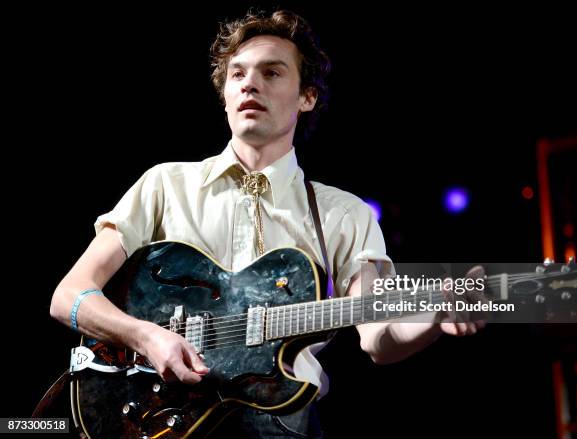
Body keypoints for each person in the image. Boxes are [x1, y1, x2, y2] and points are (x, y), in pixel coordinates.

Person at [49, 9, 484, 438]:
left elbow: (377, 336)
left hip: (282, 427)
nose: (250, 84)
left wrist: (432, 315)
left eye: (272, 73)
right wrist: (145, 336)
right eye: (237, 74)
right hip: (163, 418)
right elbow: (68, 295)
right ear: (224, 95)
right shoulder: (164, 184)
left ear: (307, 96)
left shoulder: (344, 214)